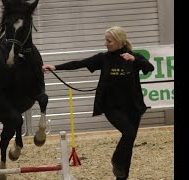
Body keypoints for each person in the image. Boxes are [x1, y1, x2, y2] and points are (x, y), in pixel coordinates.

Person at [42, 26, 154, 180]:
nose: (106, 43)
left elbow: (149, 67)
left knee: (129, 142)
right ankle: (115, 161)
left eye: (109, 40)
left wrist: (134, 59)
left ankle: (121, 176)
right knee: (128, 134)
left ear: (120, 42)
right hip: (111, 107)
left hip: (133, 107)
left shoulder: (134, 57)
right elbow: (79, 63)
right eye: (106, 40)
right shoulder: (103, 58)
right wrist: (55, 67)